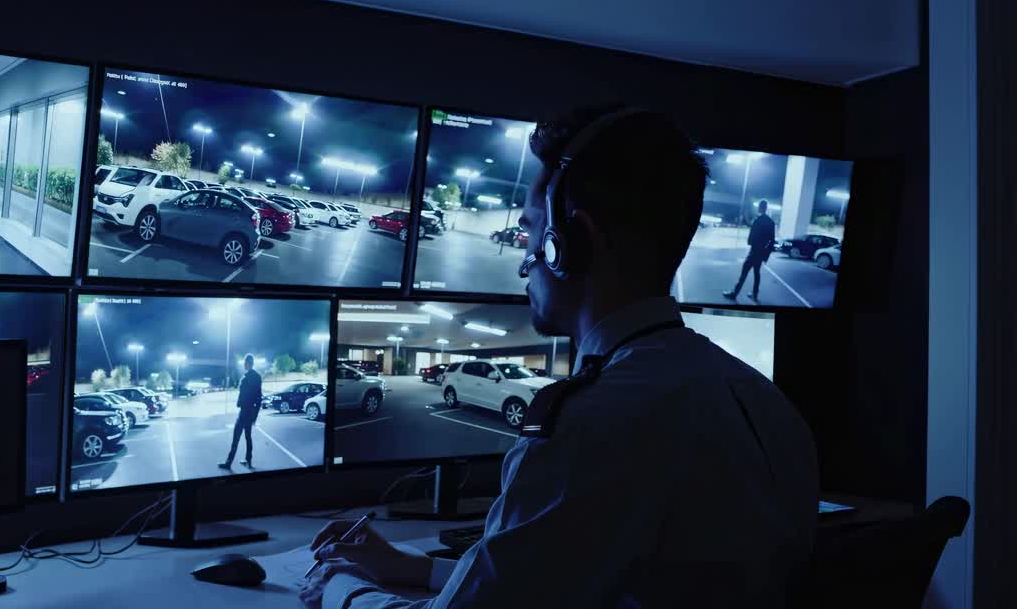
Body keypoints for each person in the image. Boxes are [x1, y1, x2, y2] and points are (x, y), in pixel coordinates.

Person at [301, 106, 818, 609]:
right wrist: (411, 568)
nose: (525, 261)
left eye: (530, 231)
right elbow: (566, 576)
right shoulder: (765, 402)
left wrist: (341, 588)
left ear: (568, 244)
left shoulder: (587, 424)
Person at [723, 199, 777, 302]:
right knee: (757, 273)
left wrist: (751, 242)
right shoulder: (771, 222)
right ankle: (755, 294)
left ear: (760, 208)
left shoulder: (757, 220)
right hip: (761, 253)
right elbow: (772, 240)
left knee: (744, 272)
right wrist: (766, 255)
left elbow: (752, 237)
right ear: (766, 208)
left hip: (754, 251)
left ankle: (734, 293)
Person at [219, 353, 262, 470]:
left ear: (248, 363)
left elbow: (247, 395)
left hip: (244, 412)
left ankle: (228, 463)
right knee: (248, 436)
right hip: (251, 412)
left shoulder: (246, 377)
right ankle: (248, 460)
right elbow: (259, 398)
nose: (243, 364)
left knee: (236, 436)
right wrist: (255, 417)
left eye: (244, 363)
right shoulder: (257, 377)